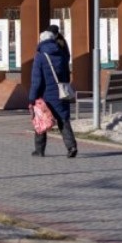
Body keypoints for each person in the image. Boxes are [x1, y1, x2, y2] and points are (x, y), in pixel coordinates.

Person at [29, 29, 78, 158]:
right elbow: (67, 74)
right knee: (64, 120)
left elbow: (36, 80)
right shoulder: (61, 53)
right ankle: (71, 146)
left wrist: (32, 98)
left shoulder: (40, 56)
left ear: (41, 41)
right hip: (62, 93)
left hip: (46, 95)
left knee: (41, 119)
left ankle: (39, 150)